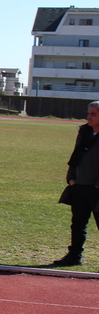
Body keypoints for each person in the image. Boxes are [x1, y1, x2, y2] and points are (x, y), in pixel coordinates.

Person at [54, 100, 99, 266]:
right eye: (88, 113)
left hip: (96, 188)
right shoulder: (84, 132)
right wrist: (71, 178)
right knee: (78, 224)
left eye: (93, 114)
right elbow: (75, 156)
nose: (89, 117)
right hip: (79, 186)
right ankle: (74, 256)